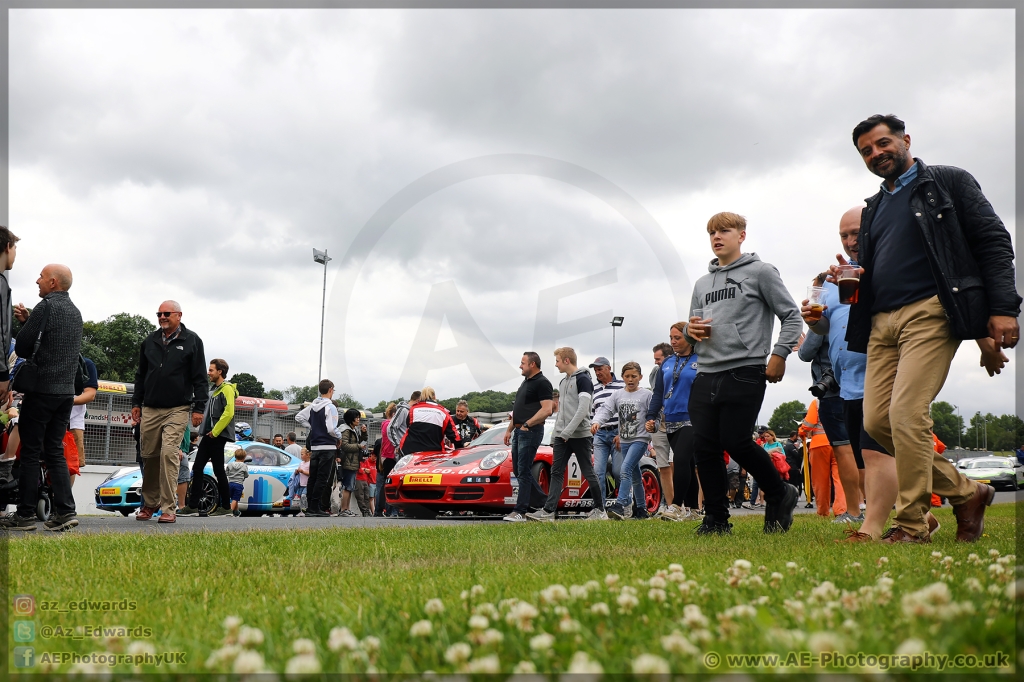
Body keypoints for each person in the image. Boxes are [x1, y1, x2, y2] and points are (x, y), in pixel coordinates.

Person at [840, 114, 1019, 543]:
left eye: (883, 143)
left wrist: (1003, 308)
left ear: (905, 140)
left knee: (906, 413)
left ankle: (912, 524)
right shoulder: (874, 208)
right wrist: (849, 274)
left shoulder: (949, 182)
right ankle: (968, 492)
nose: (876, 153)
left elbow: (992, 240)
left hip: (931, 311)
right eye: (866, 150)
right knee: (879, 422)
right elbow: (877, 265)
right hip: (881, 322)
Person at [811, 205, 1003, 541]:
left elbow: (959, 285)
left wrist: (986, 340)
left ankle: (904, 524)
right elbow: (834, 327)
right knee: (881, 427)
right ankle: (964, 493)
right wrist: (820, 318)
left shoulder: (903, 258)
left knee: (899, 425)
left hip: (903, 356)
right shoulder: (843, 277)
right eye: (844, 235)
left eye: (857, 232)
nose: (851, 240)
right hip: (850, 381)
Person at [684, 212, 801, 535]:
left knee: (736, 442)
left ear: (742, 235)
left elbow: (791, 316)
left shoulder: (761, 272)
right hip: (706, 371)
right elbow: (691, 325)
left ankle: (779, 491)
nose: (717, 237)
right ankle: (716, 518)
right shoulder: (702, 283)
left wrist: (779, 354)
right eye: (711, 232)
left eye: (724, 230)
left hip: (746, 368)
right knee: (704, 448)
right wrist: (689, 330)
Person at [0, 265, 82, 532]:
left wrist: (26, 323)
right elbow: (54, 341)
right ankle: (65, 512)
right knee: (55, 451)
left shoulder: (46, 307)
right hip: (65, 393)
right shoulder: (75, 312)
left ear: (53, 282)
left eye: (41, 277)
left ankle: (24, 515)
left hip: (41, 390)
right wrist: (29, 321)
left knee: (31, 452)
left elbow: (23, 346)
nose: (37, 281)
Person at [129, 300, 207, 524]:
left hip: (178, 408)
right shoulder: (150, 341)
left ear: (179, 315)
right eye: (159, 314)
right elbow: (140, 375)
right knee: (150, 456)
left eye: (167, 313)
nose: (162, 317)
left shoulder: (192, 341)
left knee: (169, 453)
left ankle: (168, 507)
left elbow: (200, 377)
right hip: (151, 407)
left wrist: (199, 408)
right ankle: (149, 503)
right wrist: (136, 402)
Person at [797, 286, 864, 522]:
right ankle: (870, 505)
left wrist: (807, 337)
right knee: (866, 450)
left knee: (845, 450)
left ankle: (853, 511)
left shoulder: (826, 311)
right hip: (859, 382)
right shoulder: (856, 308)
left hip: (832, 390)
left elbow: (805, 353)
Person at [526, 347, 604, 522]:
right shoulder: (562, 382)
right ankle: (548, 512)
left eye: (558, 361)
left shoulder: (584, 379)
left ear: (567, 361)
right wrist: (556, 435)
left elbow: (583, 409)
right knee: (556, 472)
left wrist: (568, 431)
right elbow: (561, 412)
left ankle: (600, 510)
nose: (556, 364)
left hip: (580, 435)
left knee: (588, 472)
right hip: (562, 435)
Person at [646, 325, 701, 521]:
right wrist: (651, 416)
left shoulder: (702, 360)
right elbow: (658, 393)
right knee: (688, 462)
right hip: (670, 419)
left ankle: (676, 505)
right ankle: (695, 510)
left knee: (680, 460)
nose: (673, 342)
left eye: (677, 337)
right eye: (671, 337)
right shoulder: (667, 362)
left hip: (693, 419)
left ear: (689, 338)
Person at [594, 361, 654, 520]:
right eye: (627, 376)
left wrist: (652, 424)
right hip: (625, 439)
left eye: (634, 376)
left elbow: (655, 413)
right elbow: (606, 410)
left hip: (640, 439)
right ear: (622, 377)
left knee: (625, 469)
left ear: (640, 377)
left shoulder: (646, 395)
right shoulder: (618, 394)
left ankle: (620, 505)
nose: (631, 379)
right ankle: (641, 510)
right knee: (635, 475)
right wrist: (597, 422)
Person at [180, 359, 236, 517]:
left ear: (220, 372)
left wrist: (215, 431)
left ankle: (203, 506)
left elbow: (229, 413)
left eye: (211, 370)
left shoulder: (227, 389)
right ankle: (222, 507)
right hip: (210, 434)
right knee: (209, 469)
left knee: (205, 468)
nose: (208, 373)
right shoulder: (215, 390)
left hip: (216, 435)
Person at [503, 352, 554, 522]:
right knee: (519, 471)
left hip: (530, 432)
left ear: (532, 364)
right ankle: (544, 503)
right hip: (519, 431)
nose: (520, 366)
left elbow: (547, 409)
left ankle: (520, 511)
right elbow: (518, 410)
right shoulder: (526, 383)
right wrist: (510, 429)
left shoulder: (542, 382)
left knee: (523, 471)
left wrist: (527, 424)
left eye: (522, 363)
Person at [294, 379, 342, 517]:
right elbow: (332, 428)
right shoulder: (330, 406)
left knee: (313, 477)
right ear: (331, 389)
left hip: (315, 446)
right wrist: (338, 437)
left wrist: (313, 427)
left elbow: (299, 417)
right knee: (322, 478)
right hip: (327, 446)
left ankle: (311, 506)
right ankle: (316, 507)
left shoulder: (314, 405)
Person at [799, 399, 846, 519]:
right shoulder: (844, 398)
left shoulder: (817, 402)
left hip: (819, 444)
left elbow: (808, 424)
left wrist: (802, 431)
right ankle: (841, 510)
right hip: (841, 442)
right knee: (841, 478)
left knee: (820, 480)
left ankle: (823, 512)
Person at [588, 356, 624, 506]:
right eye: (595, 370)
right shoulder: (593, 389)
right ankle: (600, 507)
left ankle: (623, 504)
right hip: (600, 434)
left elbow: (627, 412)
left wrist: (622, 433)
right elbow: (592, 413)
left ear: (609, 368)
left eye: (600, 369)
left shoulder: (622, 385)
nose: (597, 372)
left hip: (617, 433)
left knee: (618, 472)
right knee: (597, 472)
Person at [649, 342, 675, 512]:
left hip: (678, 420)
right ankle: (670, 505)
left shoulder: (679, 368)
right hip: (660, 422)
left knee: (677, 464)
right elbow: (656, 394)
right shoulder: (655, 373)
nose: (656, 363)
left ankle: (685, 504)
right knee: (663, 465)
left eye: (658, 359)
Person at [400, 387, 458, 455]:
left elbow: (408, 426)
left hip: (410, 451)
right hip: (433, 452)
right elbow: (454, 437)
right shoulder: (443, 412)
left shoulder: (413, 409)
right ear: (435, 396)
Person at [68, 356, 98, 477]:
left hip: (73, 422)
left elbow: (90, 394)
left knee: (71, 465)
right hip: (47, 417)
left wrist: (67, 401)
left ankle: (65, 494)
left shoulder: (86, 363)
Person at [0, 227, 19, 410]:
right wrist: (3, 374)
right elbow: (1, 331)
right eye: (15, 249)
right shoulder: (1, 283)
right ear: (7, 247)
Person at [337, 408, 367, 517]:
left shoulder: (353, 429)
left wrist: (364, 434)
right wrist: (358, 446)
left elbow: (360, 441)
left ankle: (347, 509)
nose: (358, 419)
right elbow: (344, 445)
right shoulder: (346, 430)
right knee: (347, 486)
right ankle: (344, 509)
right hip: (348, 461)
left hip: (353, 461)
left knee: (350, 486)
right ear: (351, 419)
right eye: (356, 417)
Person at [375, 402, 398, 517]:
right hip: (390, 456)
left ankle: (380, 510)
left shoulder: (384, 424)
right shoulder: (390, 424)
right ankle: (390, 510)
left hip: (385, 456)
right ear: (394, 414)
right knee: (390, 485)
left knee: (383, 484)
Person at [387, 390, 421, 456]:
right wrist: (397, 446)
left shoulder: (413, 411)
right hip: (403, 451)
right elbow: (391, 427)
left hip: (411, 451)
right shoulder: (403, 410)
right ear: (418, 400)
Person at [225, 448, 249, 515]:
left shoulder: (230, 464)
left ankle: (236, 511)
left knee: (233, 497)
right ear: (244, 457)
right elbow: (246, 475)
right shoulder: (244, 466)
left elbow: (226, 473)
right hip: (238, 484)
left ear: (235, 456)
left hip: (230, 483)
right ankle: (230, 511)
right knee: (235, 499)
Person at [354, 450, 377, 517]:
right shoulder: (358, 462)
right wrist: (364, 470)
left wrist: (364, 470)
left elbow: (369, 470)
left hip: (366, 480)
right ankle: (364, 511)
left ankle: (367, 510)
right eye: (363, 456)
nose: (364, 458)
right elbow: (360, 470)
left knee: (367, 497)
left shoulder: (365, 462)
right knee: (360, 496)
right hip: (359, 480)